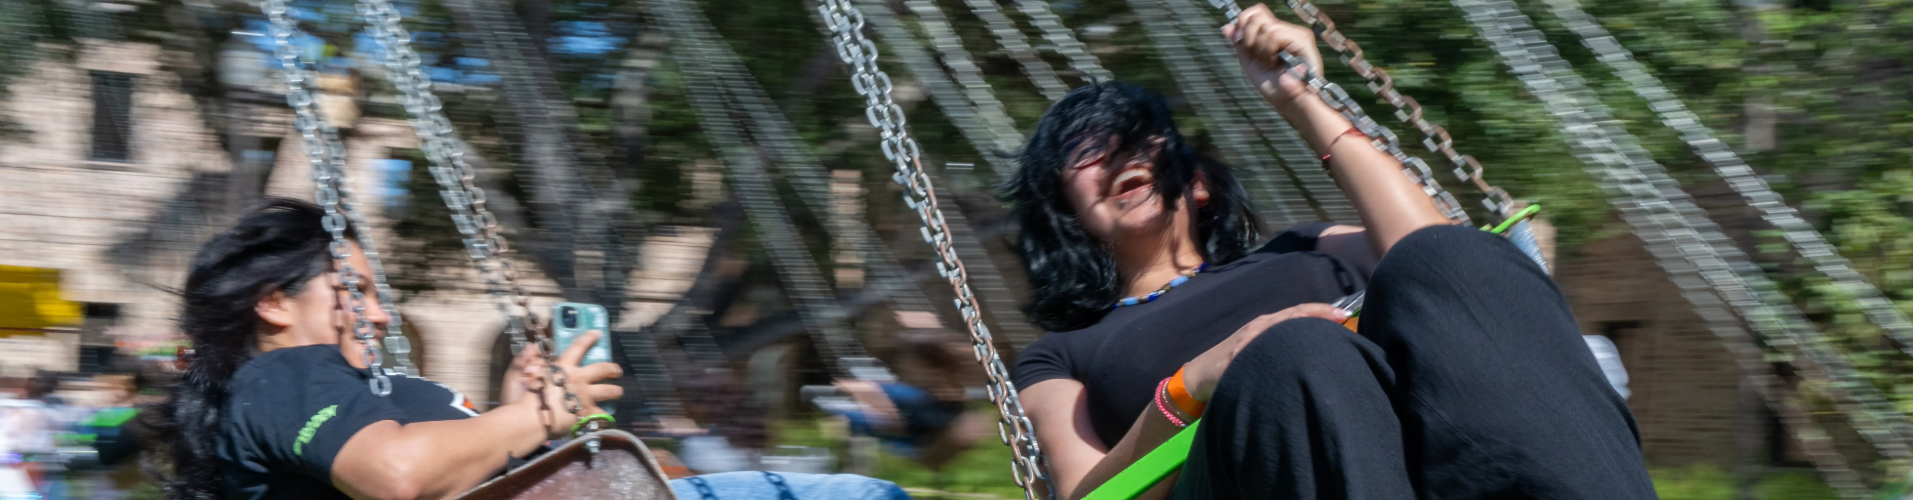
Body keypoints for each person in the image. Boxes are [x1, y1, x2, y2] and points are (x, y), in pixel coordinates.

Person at [1003, 5, 1656, 499]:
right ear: (1064, 211)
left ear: (1197, 183)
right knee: (1296, 355)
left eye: (1141, 137)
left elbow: (1445, 261)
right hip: (1237, 467)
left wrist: (1299, 97)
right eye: (1084, 150)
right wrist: (1194, 383)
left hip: (1411, 453)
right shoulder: (1062, 353)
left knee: (1446, 258)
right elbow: (1086, 490)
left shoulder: (1306, 246)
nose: (1117, 151)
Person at [140, 198, 910, 500]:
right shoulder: (280, 375)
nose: (377, 313)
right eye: (356, 292)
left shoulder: (321, 384)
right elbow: (399, 474)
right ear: (273, 303)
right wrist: (546, 411)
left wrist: (509, 410)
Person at [830, 330, 991, 470]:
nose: (904, 366)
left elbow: (896, 424)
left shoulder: (922, 400)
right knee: (861, 398)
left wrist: (874, 402)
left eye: (910, 362)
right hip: (923, 424)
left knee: (851, 411)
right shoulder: (939, 392)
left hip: (917, 432)